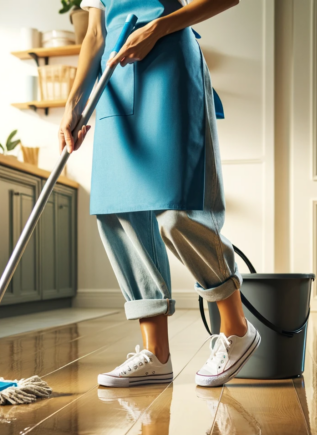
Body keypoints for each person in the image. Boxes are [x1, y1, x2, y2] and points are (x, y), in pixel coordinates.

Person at [58, 0, 260, 388]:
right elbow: (95, 33)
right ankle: (156, 354)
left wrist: (159, 28)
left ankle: (236, 330)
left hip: (168, 66)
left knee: (177, 210)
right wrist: (74, 101)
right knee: (119, 212)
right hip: (114, 81)